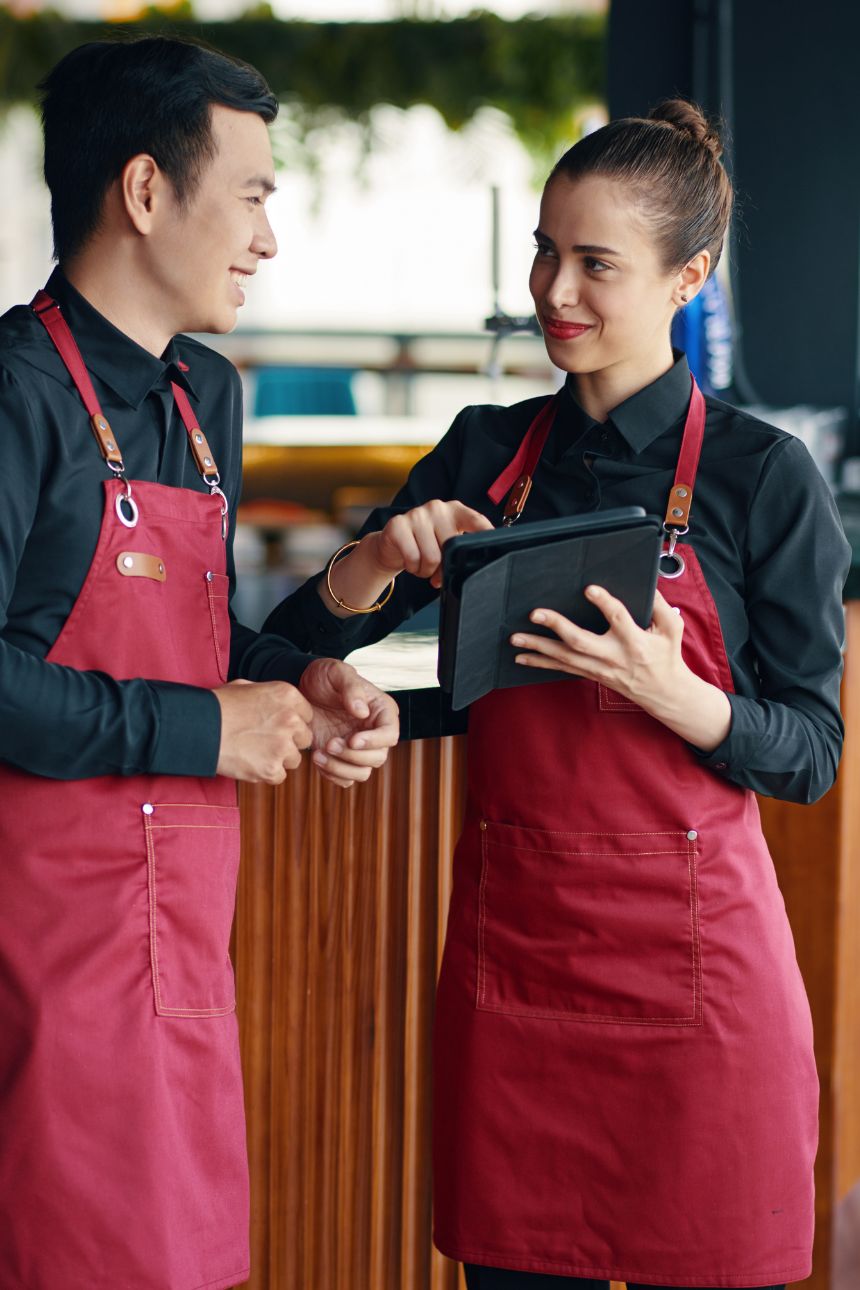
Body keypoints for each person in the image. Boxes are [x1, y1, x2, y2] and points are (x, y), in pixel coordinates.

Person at [265, 101, 851, 1289]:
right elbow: (291, 646)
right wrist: (379, 565)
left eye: (594, 263)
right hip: (515, 973)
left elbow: (811, 750)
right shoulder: (484, 450)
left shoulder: (757, 476)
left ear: (688, 276)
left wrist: (674, 695)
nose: (554, 290)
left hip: (697, 990)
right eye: (543, 250)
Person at [0, 35, 399, 1290]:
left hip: (179, 945)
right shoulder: (15, 396)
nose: (268, 238)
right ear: (143, 191)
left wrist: (303, 678)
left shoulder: (202, 399)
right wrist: (203, 728)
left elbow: (197, 643)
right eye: (254, 195)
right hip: (40, 958)